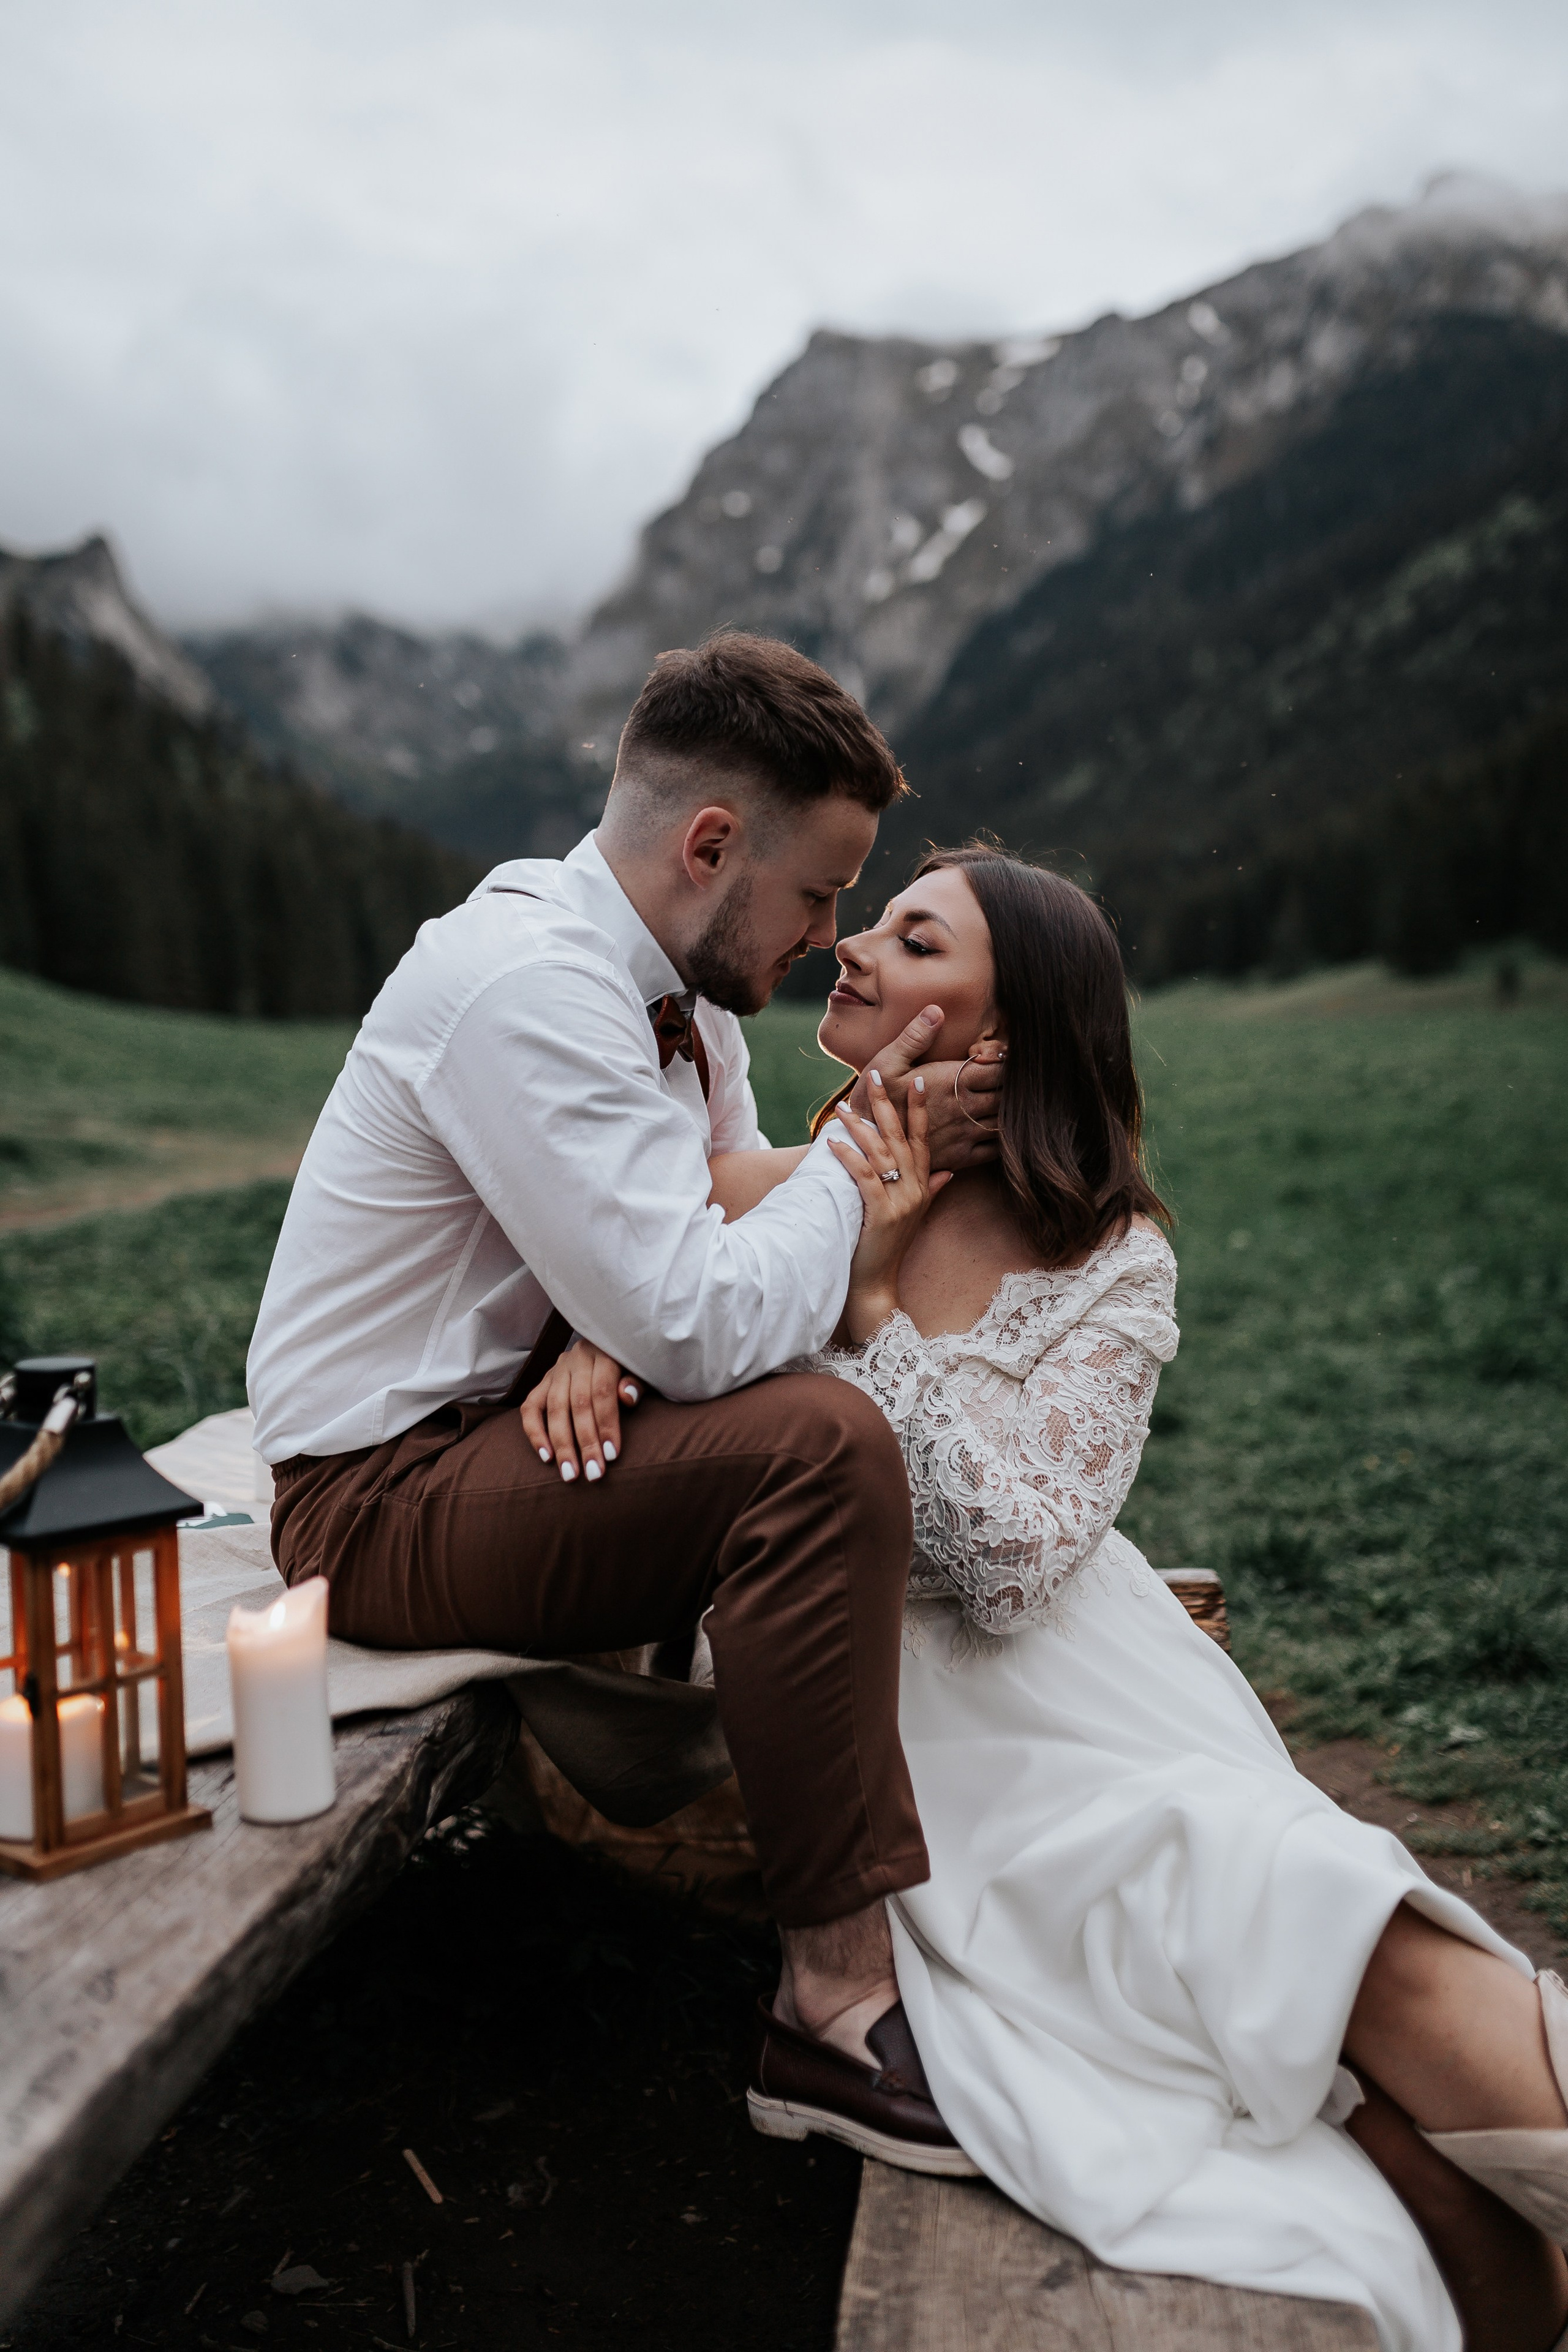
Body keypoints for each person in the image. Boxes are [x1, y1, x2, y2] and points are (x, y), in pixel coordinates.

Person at [529, 845, 1568, 2352]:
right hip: (915, 1750)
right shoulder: (779, 1195)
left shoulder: (1111, 1260)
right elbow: (630, 1270)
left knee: (1346, 1926)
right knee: (1392, 2156)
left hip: (1100, 1693)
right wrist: (598, 1337)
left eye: (910, 937)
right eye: (863, 922)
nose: (852, 948)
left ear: (998, 1038)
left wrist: (876, 1313)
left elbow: (1017, 1566)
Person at [246, 634, 1001, 2165]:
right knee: (818, 1448)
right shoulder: (529, 982)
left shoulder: (688, 1005)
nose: (830, 933)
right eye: (818, 892)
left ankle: (883, 1935)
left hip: (513, 1436)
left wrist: (627, 1314)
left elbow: (697, 1228)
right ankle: (833, 2009)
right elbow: (704, 1312)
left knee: (800, 1419)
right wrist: (851, 1166)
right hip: (375, 1497)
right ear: (709, 844)